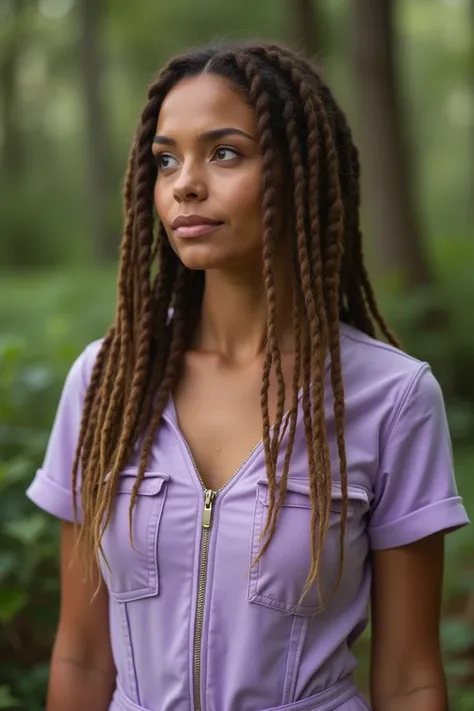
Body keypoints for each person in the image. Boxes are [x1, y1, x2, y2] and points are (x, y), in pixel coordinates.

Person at [26, 41, 469, 711]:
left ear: (300, 173)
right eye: (167, 159)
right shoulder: (106, 382)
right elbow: (83, 655)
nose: (185, 184)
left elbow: (409, 674)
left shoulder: (392, 397)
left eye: (224, 152)